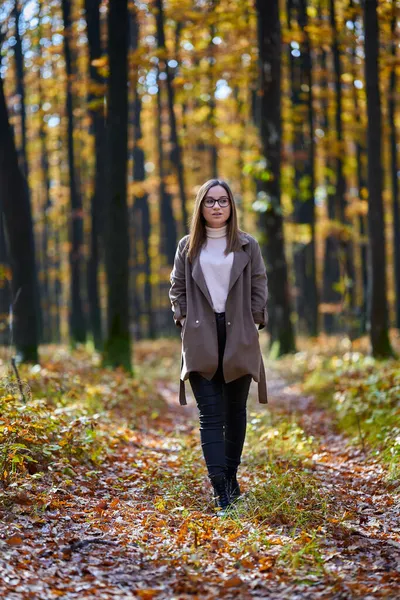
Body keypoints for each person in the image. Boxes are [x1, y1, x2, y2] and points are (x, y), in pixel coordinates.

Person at [169, 178, 268, 515]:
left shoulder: (246, 244)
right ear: (200, 206)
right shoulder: (187, 246)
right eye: (209, 201)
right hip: (200, 336)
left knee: (235, 412)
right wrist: (183, 319)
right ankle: (221, 491)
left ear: (231, 206)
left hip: (238, 333)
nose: (216, 206)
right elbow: (177, 287)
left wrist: (254, 320)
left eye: (222, 201)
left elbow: (258, 283)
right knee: (210, 415)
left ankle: (231, 478)